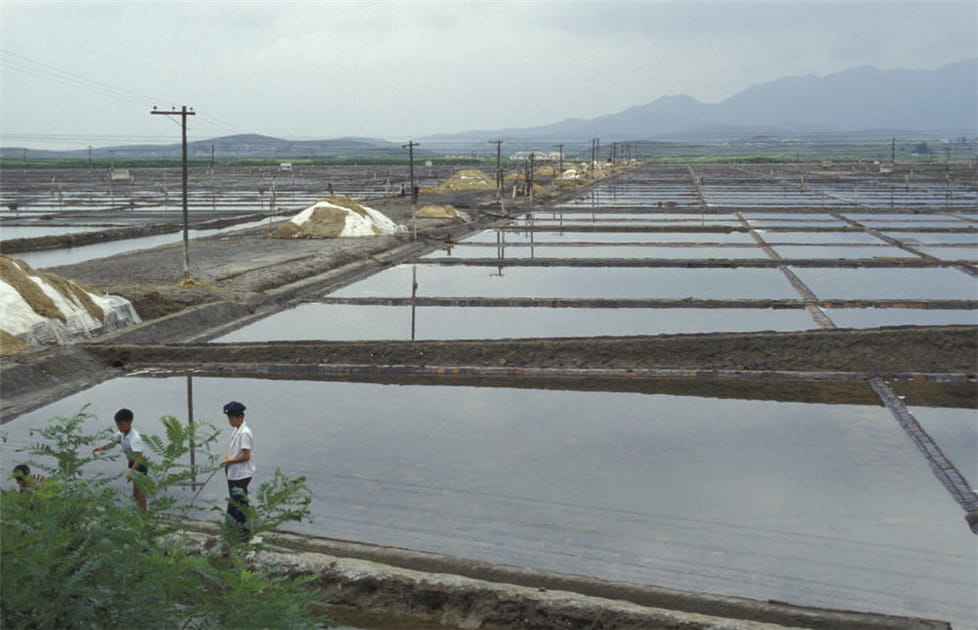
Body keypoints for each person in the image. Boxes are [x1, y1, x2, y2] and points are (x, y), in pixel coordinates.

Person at [93, 408, 148, 511]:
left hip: (139, 465)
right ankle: (139, 513)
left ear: (129, 422)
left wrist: (131, 472)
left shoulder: (135, 437)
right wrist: (101, 448)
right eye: (117, 424)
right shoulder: (121, 434)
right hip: (131, 463)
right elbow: (112, 443)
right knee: (135, 493)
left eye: (121, 424)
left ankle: (144, 515)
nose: (119, 427)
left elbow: (139, 457)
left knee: (140, 493)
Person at [219, 400, 255, 542]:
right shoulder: (236, 430)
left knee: (235, 504)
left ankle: (233, 534)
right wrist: (228, 458)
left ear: (239, 417)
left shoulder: (245, 433)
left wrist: (230, 461)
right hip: (233, 472)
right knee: (241, 504)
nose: (230, 421)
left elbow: (246, 456)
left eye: (231, 418)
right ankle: (244, 532)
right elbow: (236, 451)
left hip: (241, 474)